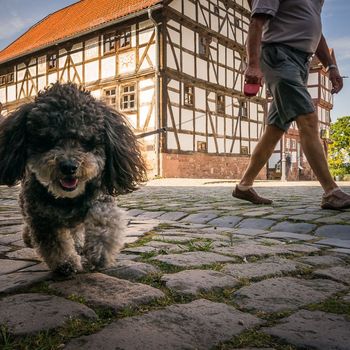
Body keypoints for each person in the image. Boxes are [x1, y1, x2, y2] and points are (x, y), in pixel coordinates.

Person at [232, 0, 350, 210]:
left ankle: (244, 186)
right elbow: (256, 22)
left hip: (301, 62)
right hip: (278, 56)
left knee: (275, 129)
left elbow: (317, 33)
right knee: (308, 118)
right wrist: (252, 64)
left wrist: (331, 66)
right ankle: (331, 192)